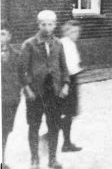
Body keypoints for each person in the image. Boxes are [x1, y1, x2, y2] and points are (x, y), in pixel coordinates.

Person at [20, 10, 69, 169]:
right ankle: (34, 159)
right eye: (43, 24)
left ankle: (52, 159)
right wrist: (28, 89)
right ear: (38, 24)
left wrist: (65, 85)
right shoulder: (29, 44)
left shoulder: (58, 44)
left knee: (54, 125)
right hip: (35, 93)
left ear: (55, 25)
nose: (47, 28)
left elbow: (64, 67)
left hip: (54, 92)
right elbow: (23, 70)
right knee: (34, 125)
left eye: (50, 24)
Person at [58, 21, 82, 153]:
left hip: (73, 79)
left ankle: (66, 141)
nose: (76, 34)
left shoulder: (71, 44)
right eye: (72, 32)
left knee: (70, 113)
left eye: (77, 32)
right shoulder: (64, 44)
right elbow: (65, 66)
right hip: (67, 80)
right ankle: (65, 142)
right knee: (67, 112)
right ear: (66, 32)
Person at [2, 26, 23, 168]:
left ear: (9, 37)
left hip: (10, 98)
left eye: (2, 34)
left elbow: (21, 76)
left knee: (5, 130)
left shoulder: (16, 54)